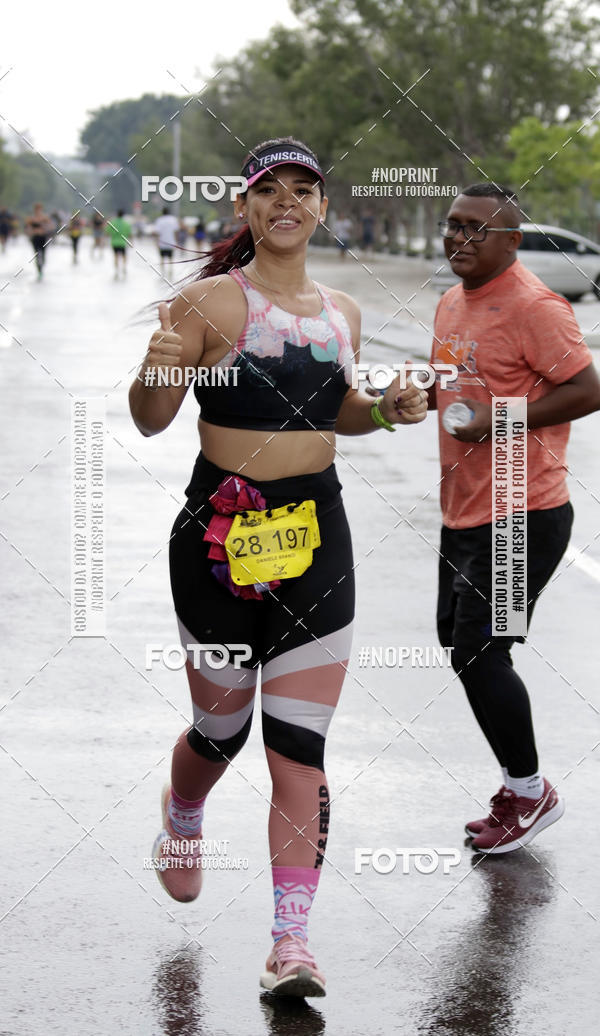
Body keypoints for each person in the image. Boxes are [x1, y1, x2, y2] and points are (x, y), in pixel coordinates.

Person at [129, 135, 427, 997]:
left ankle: (289, 945)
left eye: (304, 189)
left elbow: (338, 410)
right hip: (219, 539)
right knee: (221, 733)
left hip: (315, 537)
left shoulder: (344, 312)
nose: (287, 202)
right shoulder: (211, 302)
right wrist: (160, 365)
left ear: (322, 206)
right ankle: (183, 812)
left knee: (298, 747)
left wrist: (389, 408)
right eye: (270, 189)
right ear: (246, 206)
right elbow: (151, 419)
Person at [429, 183, 600, 854]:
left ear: (511, 241)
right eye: (452, 225)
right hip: (465, 507)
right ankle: (521, 785)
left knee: (479, 650)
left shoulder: (536, 306)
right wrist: (414, 391)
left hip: (521, 511)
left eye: (476, 229)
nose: (459, 239)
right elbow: (449, 378)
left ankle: (529, 793)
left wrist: (498, 419)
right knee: (460, 642)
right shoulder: (450, 301)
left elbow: (588, 388)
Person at [25, 202, 52, 278]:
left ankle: (42, 266)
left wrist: (44, 229)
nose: (38, 211)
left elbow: (51, 226)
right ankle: (39, 270)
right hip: (35, 238)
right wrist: (31, 232)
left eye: (39, 209)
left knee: (43, 254)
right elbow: (27, 227)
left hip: (43, 237)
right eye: (36, 209)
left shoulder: (45, 218)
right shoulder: (31, 219)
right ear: (35, 210)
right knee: (36, 254)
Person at [153, 206, 180, 273]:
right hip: (171, 242)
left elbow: (157, 232)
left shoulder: (159, 220)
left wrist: (157, 242)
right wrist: (176, 241)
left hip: (162, 242)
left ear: (162, 212)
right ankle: (170, 270)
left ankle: (163, 271)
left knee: (162, 258)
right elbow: (176, 232)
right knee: (170, 258)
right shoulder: (173, 220)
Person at [105, 209, 132, 278]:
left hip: (114, 243)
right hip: (123, 242)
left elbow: (107, 232)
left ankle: (117, 269)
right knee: (124, 256)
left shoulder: (113, 222)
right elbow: (130, 233)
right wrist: (131, 242)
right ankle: (124, 267)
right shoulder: (126, 223)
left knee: (116, 256)